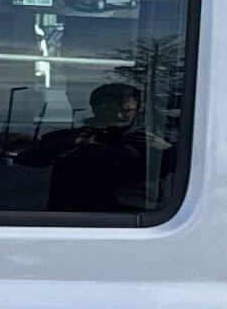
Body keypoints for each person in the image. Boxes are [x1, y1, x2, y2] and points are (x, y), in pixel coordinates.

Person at [38, 78, 154, 215]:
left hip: (133, 222)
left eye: (127, 110)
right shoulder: (69, 139)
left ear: (137, 111)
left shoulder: (146, 143)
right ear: (95, 108)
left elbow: (177, 168)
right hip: (70, 219)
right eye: (111, 110)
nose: (119, 116)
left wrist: (166, 150)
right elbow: (29, 158)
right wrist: (72, 144)